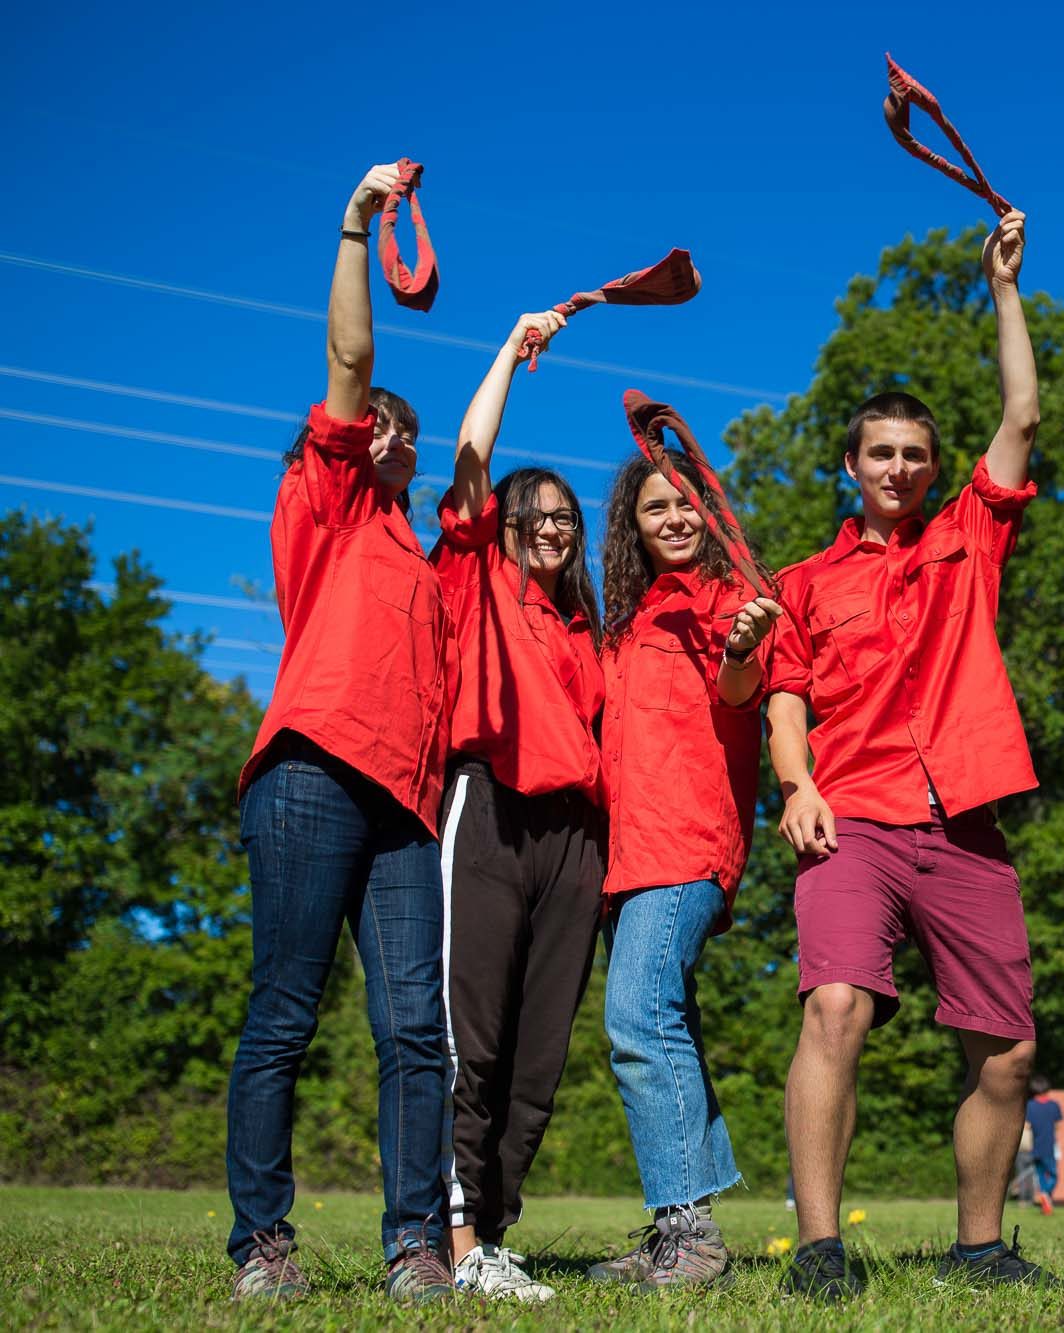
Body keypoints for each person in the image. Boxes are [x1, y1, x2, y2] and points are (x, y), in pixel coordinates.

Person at [764, 209, 1063, 1301]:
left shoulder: (966, 536)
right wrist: (795, 786)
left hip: (965, 818)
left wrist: (1003, 291)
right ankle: (818, 1250)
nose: (897, 467)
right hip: (853, 816)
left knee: (1007, 1050)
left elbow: (1022, 413)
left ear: (935, 468)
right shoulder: (803, 582)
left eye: (915, 455)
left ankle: (978, 1246)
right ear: (850, 465)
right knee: (835, 1006)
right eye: (879, 453)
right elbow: (784, 697)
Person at [226, 163, 456, 1305]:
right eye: (374, 426)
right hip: (311, 776)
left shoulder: (424, 560)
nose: (385, 433)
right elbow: (355, 362)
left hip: (407, 815)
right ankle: (261, 1245)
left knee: (417, 1027)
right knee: (283, 1009)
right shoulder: (326, 507)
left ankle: (418, 1244)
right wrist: (360, 223)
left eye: (398, 431)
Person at [429, 310, 606, 1301]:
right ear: (498, 523)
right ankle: (455, 1239)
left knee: (540, 1053)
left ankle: (494, 1232)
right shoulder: (477, 580)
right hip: (489, 809)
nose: (549, 525)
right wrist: (507, 350)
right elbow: (469, 456)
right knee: (475, 1035)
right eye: (530, 512)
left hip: (576, 838)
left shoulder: (585, 627)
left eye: (564, 516)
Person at [584, 433, 783, 1292]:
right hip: (622, 859)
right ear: (633, 526)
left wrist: (740, 645)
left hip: (685, 846)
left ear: (711, 514)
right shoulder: (627, 622)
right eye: (654, 506)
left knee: (637, 1020)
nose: (672, 517)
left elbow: (741, 686)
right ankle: (684, 1229)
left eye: (685, 503)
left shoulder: (730, 600)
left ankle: (691, 1236)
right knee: (672, 1028)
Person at [1023, 1074, 1063, 1215]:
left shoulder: (1029, 1106)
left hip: (1035, 1148)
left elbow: (1026, 1126)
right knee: (1053, 1175)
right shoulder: (1054, 1105)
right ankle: (1046, 1195)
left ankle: (1045, 1199)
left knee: (1040, 1175)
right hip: (1049, 1147)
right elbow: (1058, 1125)